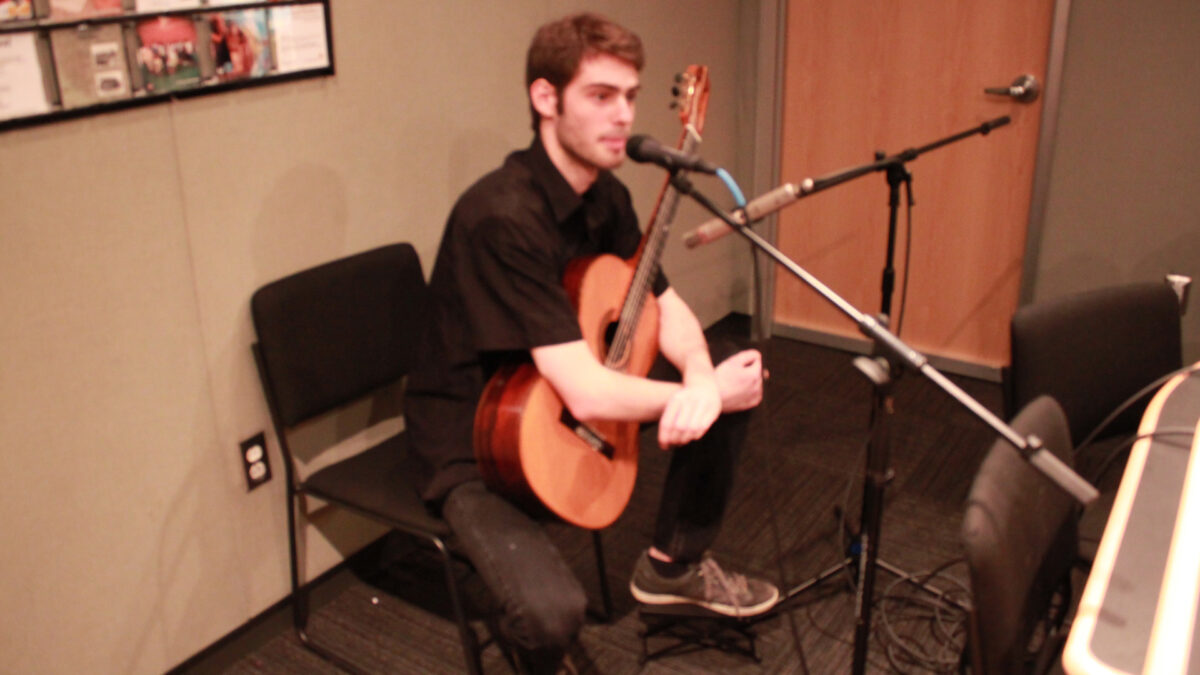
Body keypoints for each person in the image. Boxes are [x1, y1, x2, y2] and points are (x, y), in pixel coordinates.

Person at [404, 12, 778, 672]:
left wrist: (699, 376)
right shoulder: (501, 217)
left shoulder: (606, 198)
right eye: (601, 96)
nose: (623, 116)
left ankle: (672, 564)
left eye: (630, 96)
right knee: (552, 615)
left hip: (556, 403)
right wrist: (698, 395)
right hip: (479, 438)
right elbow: (580, 382)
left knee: (729, 371)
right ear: (545, 99)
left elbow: (666, 303)